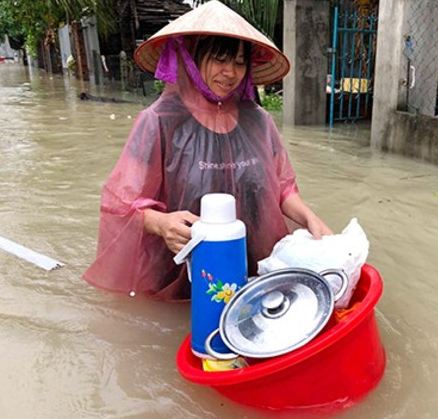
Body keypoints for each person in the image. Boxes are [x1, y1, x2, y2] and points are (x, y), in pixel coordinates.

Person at [83, 1, 332, 301]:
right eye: (219, 59)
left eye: (240, 62)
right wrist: (161, 223)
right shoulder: (160, 122)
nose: (231, 72)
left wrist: (310, 219)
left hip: (254, 276)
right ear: (192, 58)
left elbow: (282, 188)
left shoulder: (259, 121)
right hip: (179, 277)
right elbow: (119, 204)